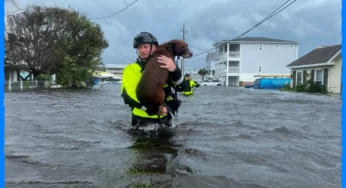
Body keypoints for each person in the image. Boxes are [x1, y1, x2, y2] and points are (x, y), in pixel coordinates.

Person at [121, 32, 188, 128]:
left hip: (165, 119)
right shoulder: (130, 69)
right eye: (139, 48)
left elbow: (183, 88)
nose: (142, 51)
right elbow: (128, 97)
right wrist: (154, 109)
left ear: (155, 47)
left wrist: (175, 70)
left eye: (145, 47)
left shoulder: (167, 65)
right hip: (141, 120)